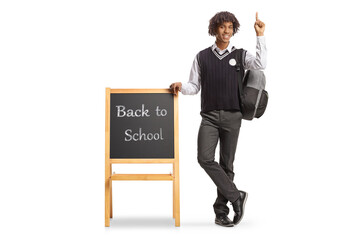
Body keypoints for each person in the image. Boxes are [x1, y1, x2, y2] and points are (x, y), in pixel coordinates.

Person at [169, 11, 267, 227]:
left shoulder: (241, 55)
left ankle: (221, 213)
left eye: (230, 27)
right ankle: (236, 196)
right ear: (214, 29)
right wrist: (181, 86)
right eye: (222, 27)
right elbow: (194, 86)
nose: (226, 31)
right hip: (210, 117)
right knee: (204, 158)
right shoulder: (202, 57)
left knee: (227, 164)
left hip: (233, 116)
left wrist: (260, 35)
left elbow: (260, 65)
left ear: (234, 30)